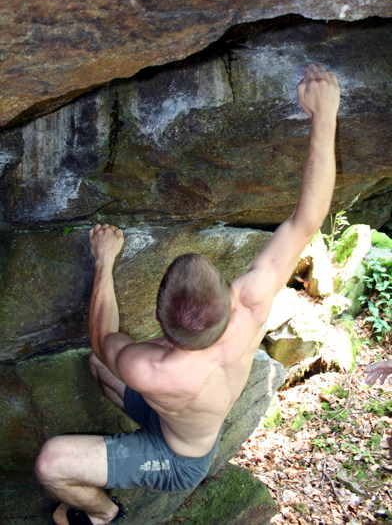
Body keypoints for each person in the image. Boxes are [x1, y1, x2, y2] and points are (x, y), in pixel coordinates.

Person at [35, 63, 340, 525]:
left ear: (160, 319)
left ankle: (102, 515)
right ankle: (137, 443)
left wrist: (105, 260)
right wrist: (325, 115)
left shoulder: (148, 366)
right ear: (225, 294)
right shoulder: (250, 303)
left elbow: (102, 335)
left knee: (51, 462)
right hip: (184, 414)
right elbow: (306, 219)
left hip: (179, 459)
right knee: (100, 369)